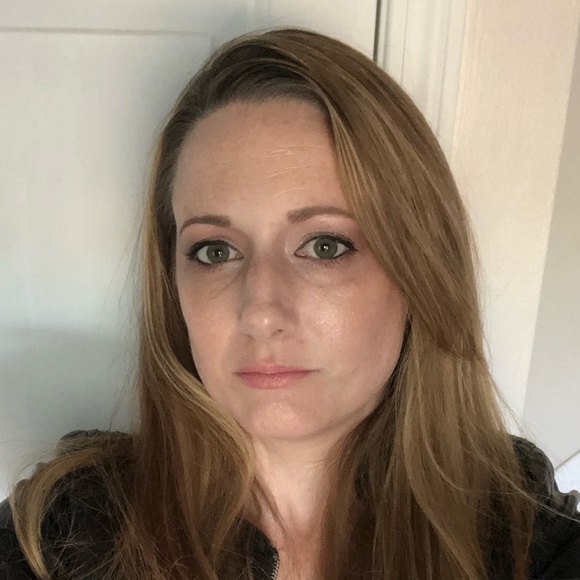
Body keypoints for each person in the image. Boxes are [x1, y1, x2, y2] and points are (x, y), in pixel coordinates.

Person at [0, 27, 579, 580]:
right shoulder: (71, 528)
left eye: (325, 246)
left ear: (419, 270)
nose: (259, 313)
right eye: (215, 251)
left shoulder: (516, 529)